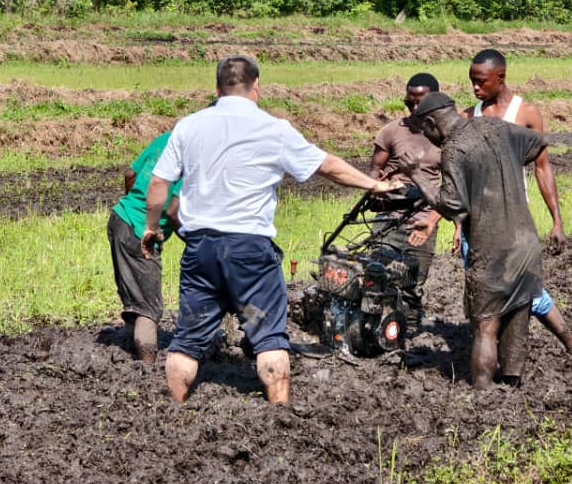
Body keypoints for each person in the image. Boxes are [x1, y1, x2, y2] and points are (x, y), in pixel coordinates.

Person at [141, 55, 398, 404]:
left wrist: (151, 227)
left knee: (187, 339)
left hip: (200, 248)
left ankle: (173, 409)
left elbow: (159, 183)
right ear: (257, 87)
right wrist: (373, 185)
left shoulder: (189, 126)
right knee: (269, 338)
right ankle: (279, 413)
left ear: (216, 88)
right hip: (250, 249)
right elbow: (328, 166)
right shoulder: (275, 129)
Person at [401, 91, 546, 390]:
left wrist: (417, 175)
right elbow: (536, 144)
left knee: (486, 325)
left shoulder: (454, 150)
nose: (428, 139)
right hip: (526, 239)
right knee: (518, 313)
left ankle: (482, 393)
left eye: (425, 131)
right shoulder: (494, 126)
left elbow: (453, 205)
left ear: (431, 123)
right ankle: (511, 384)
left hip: (492, 248)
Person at [462, 48, 572, 355]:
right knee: (480, 295)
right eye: (472, 81)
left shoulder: (525, 114)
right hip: (477, 225)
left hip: (513, 224)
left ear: (501, 77)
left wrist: (556, 220)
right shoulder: (469, 117)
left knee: (530, 291)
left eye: (481, 81)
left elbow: (542, 167)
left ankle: (571, 344)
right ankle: (490, 358)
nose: (475, 88)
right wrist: (458, 227)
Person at [369, 73, 445, 328]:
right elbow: (373, 173)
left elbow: (454, 186)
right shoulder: (391, 131)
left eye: (419, 103)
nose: (413, 109)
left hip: (423, 219)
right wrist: (380, 189)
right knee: (379, 275)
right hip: (389, 216)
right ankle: (380, 328)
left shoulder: (445, 137)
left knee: (413, 282)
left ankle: (410, 330)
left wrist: (446, 222)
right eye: (408, 103)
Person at [106, 132, 181, 363]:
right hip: (142, 233)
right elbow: (172, 211)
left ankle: (130, 352)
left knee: (134, 295)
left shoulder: (168, 138)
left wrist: (134, 205)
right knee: (150, 308)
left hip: (119, 219)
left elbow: (130, 174)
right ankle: (146, 370)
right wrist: (198, 243)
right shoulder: (199, 152)